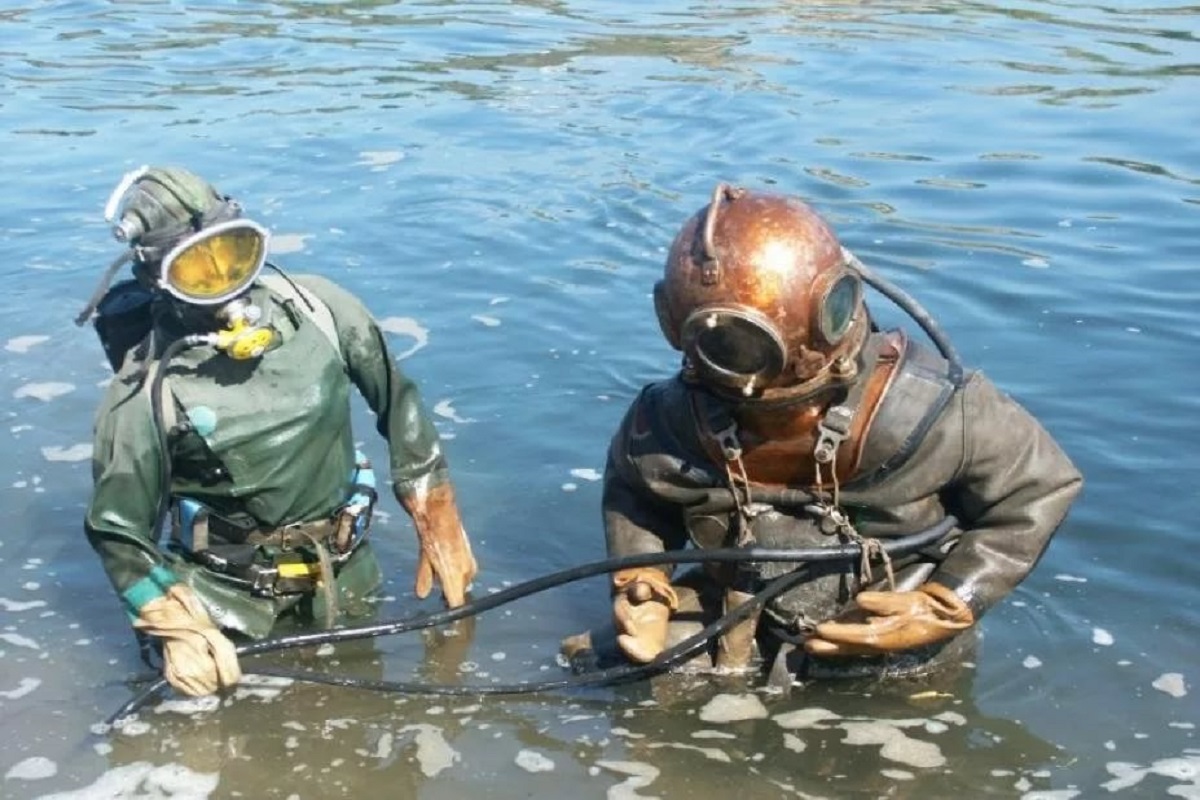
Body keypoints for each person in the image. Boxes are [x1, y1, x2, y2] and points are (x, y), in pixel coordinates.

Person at [590, 182, 1082, 684]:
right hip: (739, 606)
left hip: (890, 618)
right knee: (620, 665)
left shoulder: (930, 409)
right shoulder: (670, 417)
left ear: (838, 306)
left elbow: (1038, 485)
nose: (762, 406)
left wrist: (949, 601)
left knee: (898, 713)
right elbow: (637, 490)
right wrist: (641, 582)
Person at [77, 165, 479, 697]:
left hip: (349, 575)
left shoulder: (320, 309)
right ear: (159, 278)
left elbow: (398, 399)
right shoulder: (145, 388)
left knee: (369, 734)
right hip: (226, 606)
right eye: (200, 271)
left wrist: (437, 509)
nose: (225, 284)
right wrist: (174, 626)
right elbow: (116, 529)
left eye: (234, 254)